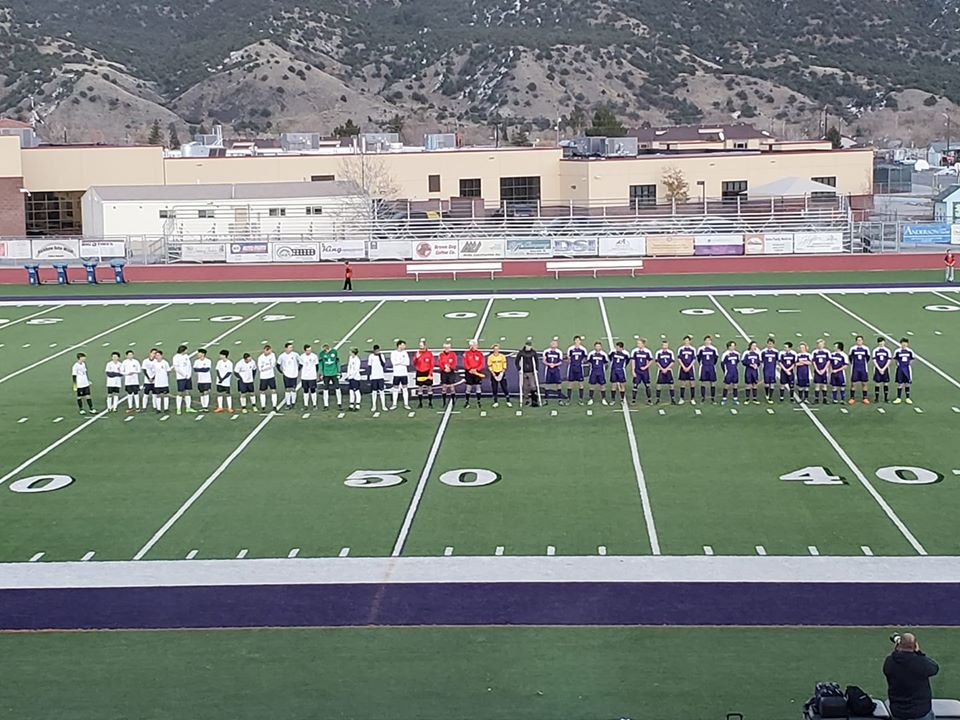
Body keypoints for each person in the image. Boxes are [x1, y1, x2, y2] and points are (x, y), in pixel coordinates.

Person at [884, 632, 939, 720]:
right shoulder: (920, 663)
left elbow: (894, 660)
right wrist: (919, 653)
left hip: (898, 712)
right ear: (914, 646)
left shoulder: (889, 662)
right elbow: (934, 668)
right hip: (920, 712)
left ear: (898, 645)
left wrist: (897, 649)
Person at [515, 339, 541, 406]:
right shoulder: (521, 352)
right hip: (524, 371)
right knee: (525, 386)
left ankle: (534, 400)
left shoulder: (533, 352)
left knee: (533, 386)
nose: (529, 347)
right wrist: (519, 369)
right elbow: (516, 361)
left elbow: (536, 361)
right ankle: (526, 399)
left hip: (531, 371)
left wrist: (536, 369)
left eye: (530, 346)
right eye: (528, 345)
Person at [172, 344, 196, 415]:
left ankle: (188, 407)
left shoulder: (186, 356)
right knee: (180, 392)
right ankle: (178, 408)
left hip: (187, 377)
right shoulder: (176, 357)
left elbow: (189, 366)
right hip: (181, 377)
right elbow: (177, 368)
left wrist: (189, 374)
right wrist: (184, 374)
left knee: (187, 392)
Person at [277, 342, 302, 410]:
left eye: (292, 347)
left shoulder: (295, 354)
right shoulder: (282, 356)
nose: (291, 348)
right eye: (290, 347)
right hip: (286, 374)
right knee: (287, 389)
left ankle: (293, 403)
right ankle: (288, 403)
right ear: (286, 348)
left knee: (293, 389)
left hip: (294, 374)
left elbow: (301, 362)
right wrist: (281, 372)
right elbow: (278, 365)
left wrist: (297, 370)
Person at [319, 343, 343, 410]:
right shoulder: (321, 354)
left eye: (325, 350)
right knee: (325, 389)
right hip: (326, 374)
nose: (325, 351)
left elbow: (337, 362)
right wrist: (321, 373)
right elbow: (321, 364)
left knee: (337, 388)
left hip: (334, 373)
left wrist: (339, 371)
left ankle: (339, 403)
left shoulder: (334, 352)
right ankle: (326, 404)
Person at [849, 335, 871, 405]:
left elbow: (868, 358)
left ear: (862, 341)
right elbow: (850, 358)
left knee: (864, 383)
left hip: (863, 369)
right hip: (855, 368)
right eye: (858, 340)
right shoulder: (852, 349)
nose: (859, 341)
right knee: (853, 384)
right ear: (856, 341)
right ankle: (852, 398)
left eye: (860, 340)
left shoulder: (866, 349)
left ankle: (865, 398)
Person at [696, 335, 719, 404]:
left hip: (711, 366)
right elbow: (698, 358)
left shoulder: (714, 349)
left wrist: (712, 364)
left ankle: (713, 398)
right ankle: (703, 397)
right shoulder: (701, 349)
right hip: (703, 366)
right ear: (704, 341)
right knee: (703, 382)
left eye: (709, 340)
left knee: (712, 382)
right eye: (706, 340)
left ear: (711, 341)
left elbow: (716, 358)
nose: (707, 342)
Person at [462, 340, 485, 409]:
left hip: (477, 373)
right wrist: (470, 369)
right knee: (468, 387)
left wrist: (476, 369)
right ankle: (467, 402)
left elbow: (482, 363)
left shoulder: (480, 353)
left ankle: (478, 401)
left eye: (476, 345)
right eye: (474, 345)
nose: (475, 346)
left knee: (478, 387)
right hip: (469, 373)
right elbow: (465, 363)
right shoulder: (467, 353)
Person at [413, 340, 436, 409]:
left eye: (421, 345)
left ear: (425, 346)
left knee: (429, 388)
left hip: (427, 372)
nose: (420, 347)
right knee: (420, 388)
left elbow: (432, 364)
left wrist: (430, 374)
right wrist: (416, 358)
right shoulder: (417, 353)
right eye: (419, 345)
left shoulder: (429, 353)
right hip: (419, 372)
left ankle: (430, 403)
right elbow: (414, 363)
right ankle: (420, 403)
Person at [566, 336, 588, 404]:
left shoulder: (583, 349)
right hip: (572, 367)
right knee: (570, 383)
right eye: (576, 340)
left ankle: (580, 399)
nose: (577, 341)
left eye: (578, 340)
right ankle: (568, 399)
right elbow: (568, 357)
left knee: (580, 383)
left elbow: (585, 358)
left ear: (580, 341)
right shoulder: (570, 349)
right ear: (574, 341)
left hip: (579, 367)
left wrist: (581, 362)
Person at [488, 343, 511, 408]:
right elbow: (490, 366)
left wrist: (502, 373)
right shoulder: (490, 357)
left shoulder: (502, 356)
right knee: (494, 388)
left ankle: (508, 401)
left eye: (497, 349)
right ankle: (495, 402)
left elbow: (504, 365)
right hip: (494, 373)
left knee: (504, 387)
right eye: (495, 349)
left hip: (501, 372)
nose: (496, 350)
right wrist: (494, 374)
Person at [390, 340, 411, 410]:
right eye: (403, 345)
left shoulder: (405, 353)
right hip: (396, 374)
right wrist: (402, 361)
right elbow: (394, 362)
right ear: (399, 345)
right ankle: (394, 404)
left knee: (405, 388)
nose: (404, 346)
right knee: (395, 389)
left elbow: (407, 363)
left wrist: (399, 362)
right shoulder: (393, 353)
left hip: (404, 374)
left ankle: (406, 404)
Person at [257, 344, 279, 412]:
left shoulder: (272, 355)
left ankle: (274, 406)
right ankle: (263, 406)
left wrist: (265, 367)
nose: (270, 352)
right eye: (269, 351)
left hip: (271, 376)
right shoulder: (260, 358)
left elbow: (273, 365)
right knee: (262, 391)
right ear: (265, 350)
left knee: (273, 390)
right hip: (263, 377)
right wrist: (268, 366)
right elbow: (260, 368)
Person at [586, 341, 609, 406]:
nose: (598, 347)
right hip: (593, 371)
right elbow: (589, 362)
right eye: (596, 346)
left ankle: (603, 399)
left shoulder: (603, 354)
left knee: (602, 385)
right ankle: (591, 398)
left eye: (599, 346)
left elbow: (606, 363)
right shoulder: (591, 354)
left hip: (601, 371)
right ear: (594, 347)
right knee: (592, 385)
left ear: (601, 347)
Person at [631, 338, 653, 404]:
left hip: (645, 372)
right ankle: (633, 400)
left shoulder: (647, 351)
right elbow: (633, 361)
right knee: (635, 385)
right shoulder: (634, 351)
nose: (638, 344)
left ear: (643, 344)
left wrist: (646, 367)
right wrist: (633, 370)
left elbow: (651, 360)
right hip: (637, 371)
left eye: (639, 343)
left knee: (647, 385)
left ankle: (649, 399)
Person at [367, 344, 388, 412]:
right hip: (374, 376)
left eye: (378, 350)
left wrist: (379, 357)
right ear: (374, 350)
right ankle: (374, 406)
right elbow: (369, 366)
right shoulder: (371, 356)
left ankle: (383, 406)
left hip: (380, 376)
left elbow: (383, 364)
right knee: (374, 391)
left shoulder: (381, 356)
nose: (377, 351)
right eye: (376, 350)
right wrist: (368, 376)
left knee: (382, 391)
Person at [893, 338, 915, 405]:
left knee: (907, 383)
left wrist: (907, 364)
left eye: (905, 343)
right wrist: (899, 365)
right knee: (900, 383)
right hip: (900, 368)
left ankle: (907, 398)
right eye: (903, 343)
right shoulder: (897, 351)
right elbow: (895, 359)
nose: (904, 344)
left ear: (907, 344)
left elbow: (912, 359)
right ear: (901, 343)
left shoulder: (910, 351)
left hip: (907, 368)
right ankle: (898, 398)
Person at [542, 339, 564, 404]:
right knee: (547, 384)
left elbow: (560, 362)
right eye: (552, 343)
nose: (553, 345)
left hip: (556, 369)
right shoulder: (546, 351)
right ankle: (546, 399)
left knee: (558, 383)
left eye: (555, 343)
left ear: (557, 345)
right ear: (550, 344)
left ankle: (560, 399)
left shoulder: (559, 352)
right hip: (548, 369)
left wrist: (554, 364)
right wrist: (549, 364)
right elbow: (544, 360)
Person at [676, 335, 697, 405]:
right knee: (682, 383)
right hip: (682, 367)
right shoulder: (681, 349)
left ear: (690, 341)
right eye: (685, 341)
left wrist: (689, 367)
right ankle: (681, 398)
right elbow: (679, 358)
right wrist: (683, 366)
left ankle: (692, 398)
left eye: (688, 341)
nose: (686, 342)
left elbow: (694, 359)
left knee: (692, 383)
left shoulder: (693, 349)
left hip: (690, 368)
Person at [654, 339, 676, 405]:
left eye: (666, 345)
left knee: (671, 385)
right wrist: (662, 368)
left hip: (668, 370)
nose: (665, 346)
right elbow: (657, 362)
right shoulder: (658, 352)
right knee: (659, 385)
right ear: (662, 345)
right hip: (661, 370)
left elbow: (672, 362)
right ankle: (657, 399)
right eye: (664, 345)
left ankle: (672, 398)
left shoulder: (670, 352)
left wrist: (666, 368)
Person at [437, 342, 458, 407]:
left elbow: (454, 363)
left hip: (451, 372)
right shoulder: (441, 355)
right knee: (444, 388)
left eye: (448, 348)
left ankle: (453, 401)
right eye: (445, 348)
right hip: (444, 372)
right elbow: (440, 363)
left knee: (452, 387)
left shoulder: (453, 354)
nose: (446, 349)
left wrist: (450, 368)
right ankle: (444, 402)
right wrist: (444, 368)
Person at [811, 339, 831, 404]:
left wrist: (824, 369)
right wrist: (817, 370)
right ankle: (816, 399)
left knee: (824, 385)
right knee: (817, 385)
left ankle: (824, 398)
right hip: (817, 371)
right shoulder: (815, 352)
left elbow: (828, 361)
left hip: (824, 371)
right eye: (819, 344)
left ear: (824, 345)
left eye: (821, 344)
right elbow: (813, 362)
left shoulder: (827, 352)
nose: (820, 346)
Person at [300, 344, 320, 409]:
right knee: (305, 390)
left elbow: (317, 366)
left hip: (312, 376)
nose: (309, 351)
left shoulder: (314, 356)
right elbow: (300, 366)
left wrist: (314, 373)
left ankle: (314, 404)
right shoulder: (302, 356)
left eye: (310, 350)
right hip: (304, 376)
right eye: (308, 350)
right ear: (305, 350)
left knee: (313, 390)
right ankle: (306, 405)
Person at [760, 338, 779, 404]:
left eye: (771, 344)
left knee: (772, 384)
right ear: (767, 344)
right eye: (769, 344)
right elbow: (761, 361)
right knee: (767, 384)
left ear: (773, 344)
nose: (770, 345)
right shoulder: (763, 352)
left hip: (772, 369)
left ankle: (770, 397)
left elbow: (777, 360)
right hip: (766, 369)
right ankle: (767, 394)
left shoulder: (776, 352)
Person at [720, 341, 740, 405]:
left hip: (735, 371)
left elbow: (737, 362)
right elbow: (722, 363)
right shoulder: (725, 354)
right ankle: (724, 398)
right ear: (729, 347)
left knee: (735, 385)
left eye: (734, 346)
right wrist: (725, 371)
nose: (733, 347)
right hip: (728, 372)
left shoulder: (737, 354)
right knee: (726, 385)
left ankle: (735, 398)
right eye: (732, 346)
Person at [741, 340, 761, 405]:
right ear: (750, 346)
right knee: (748, 384)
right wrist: (750, 364)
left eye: (755, 346)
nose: (754, 347)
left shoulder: (757, 353)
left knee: (755, 384)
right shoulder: (746, 353)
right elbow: (743, 362)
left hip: (755, 370)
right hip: (748, 370)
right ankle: (747, 398)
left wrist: (756, 365)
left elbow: (759, 362)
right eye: (753, 345)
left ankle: (755, 398)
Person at [874, 337, 892, 404]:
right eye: (880, 342)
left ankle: (886, 398)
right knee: (877, 383)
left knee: (886, 383)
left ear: (884, 342)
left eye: (882, 342)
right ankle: (876, 398)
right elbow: (874, 360)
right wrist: (879, 368)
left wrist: (884, 368)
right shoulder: (875, 350)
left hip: (885, 369)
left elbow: (889, 360)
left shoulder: (887, 350)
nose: (881, 343)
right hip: (878, 369)